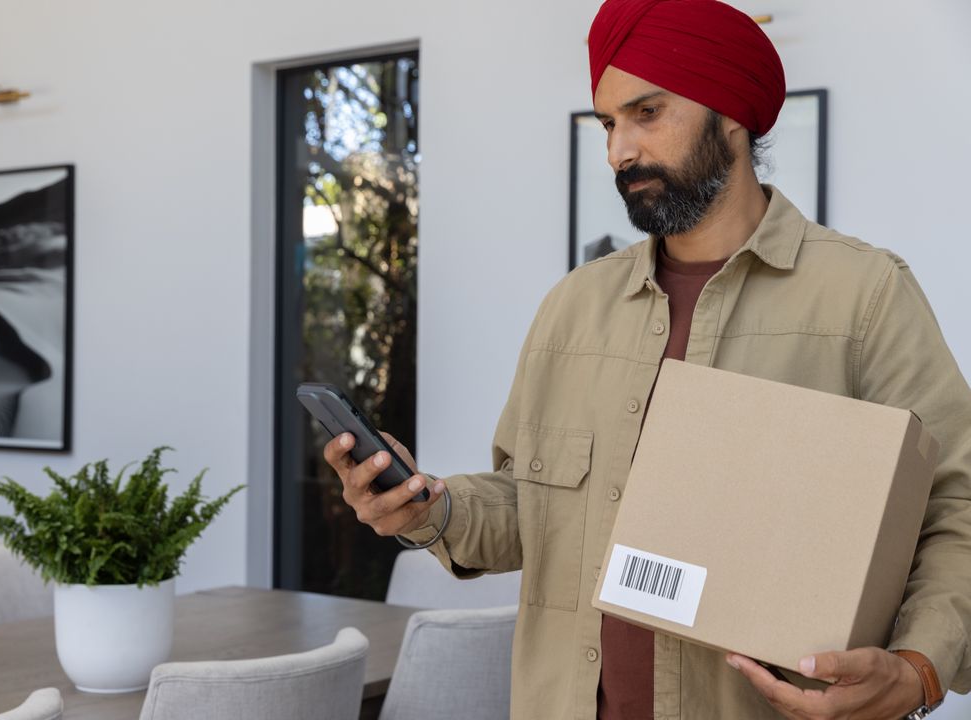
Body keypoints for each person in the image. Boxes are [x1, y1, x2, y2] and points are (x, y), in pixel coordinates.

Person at [323, 0, 971, 717]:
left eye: (646, 114)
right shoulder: (573, 308)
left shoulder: (864, 296)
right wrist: (422, 507)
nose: (617, 152)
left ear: (730, 115)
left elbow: (957, 504)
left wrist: (918, 669)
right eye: (607, 123)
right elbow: (530, 510)